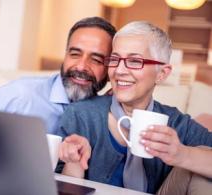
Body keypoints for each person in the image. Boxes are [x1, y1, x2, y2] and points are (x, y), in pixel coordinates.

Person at [56, 21, 212, 194]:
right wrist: (75, 161)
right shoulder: (81, 115)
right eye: (115, 59)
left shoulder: (176, 123)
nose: (119, 70)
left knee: (201, 165)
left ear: (162, 73)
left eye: (135, 61)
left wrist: (181, 154)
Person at [0, 17, 116, 134]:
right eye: (75, 54)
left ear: (110, 69)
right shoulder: (21, 96)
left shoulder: (106, 113)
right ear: (65, 55)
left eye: (96, 60)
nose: (81, 66)